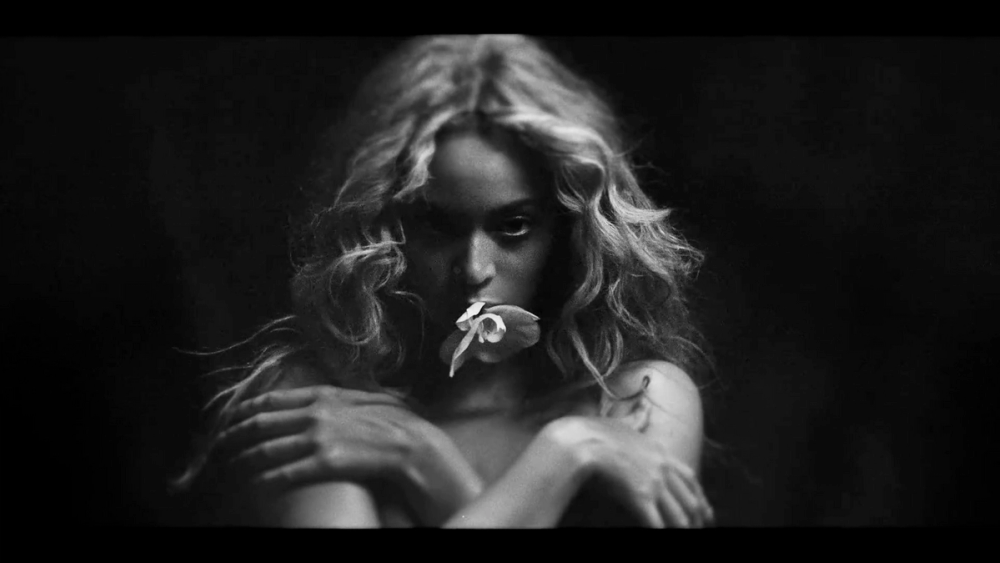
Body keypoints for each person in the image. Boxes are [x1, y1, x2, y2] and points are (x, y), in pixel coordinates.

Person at [176, 35, 714, 528]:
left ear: (568, 228)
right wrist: (565, 458)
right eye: (438, 225)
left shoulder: (636, 401)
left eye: (513, 226)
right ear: (385, 226)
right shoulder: (320, 403)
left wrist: (428, 461)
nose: (475, 270)